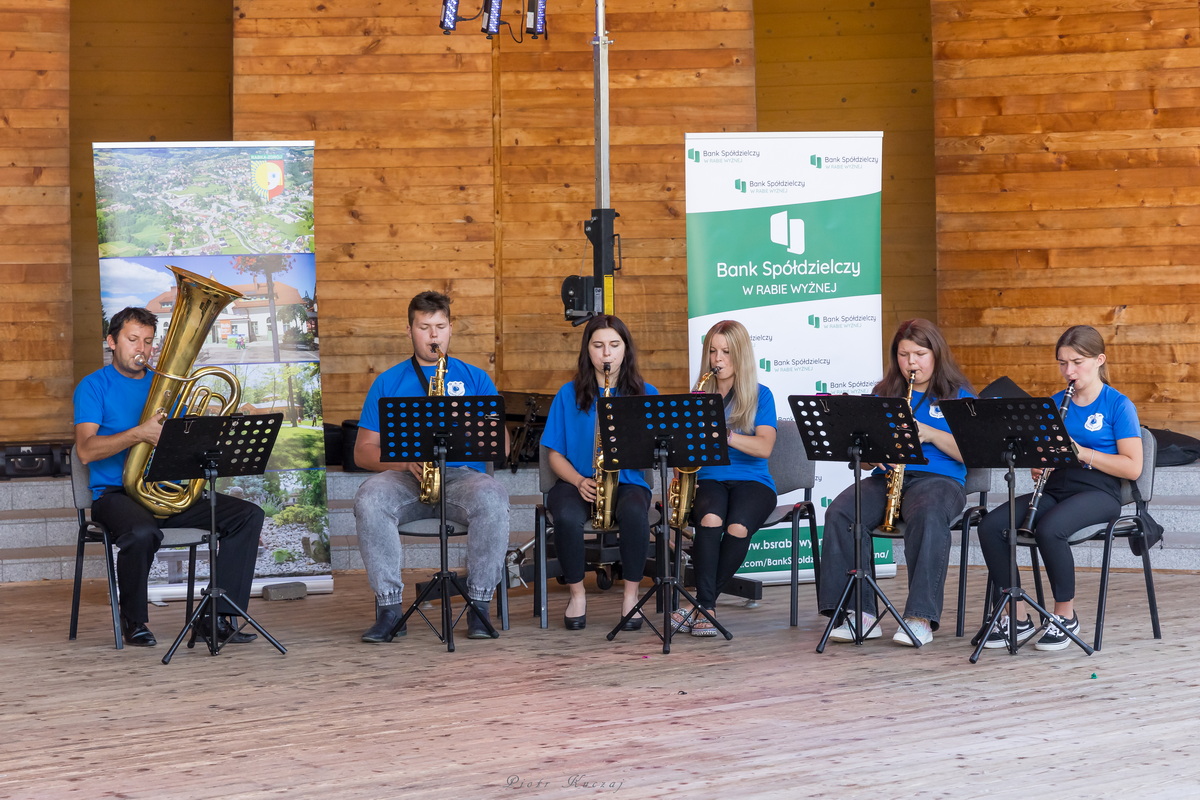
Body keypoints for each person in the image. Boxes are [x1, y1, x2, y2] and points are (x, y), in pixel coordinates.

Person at [73, 307, 262, 648]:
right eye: (132, 340)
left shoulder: (167, 387)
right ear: (112, 341)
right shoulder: (93, 387)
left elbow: (179, 442)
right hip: (114, 495)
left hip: (164, 490)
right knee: (143, 531)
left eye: (148, 342)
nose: (141, 349)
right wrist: (139, 433)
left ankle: (216, 617)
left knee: (248, 515)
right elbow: (86, 451)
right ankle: (134, 620)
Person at [353, 291, 509, 643]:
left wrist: (480, 426)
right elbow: (363, 452)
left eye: (440, 326)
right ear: (409, 330)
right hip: (407, 476)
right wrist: (405, 462)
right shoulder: (388, 382)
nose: (433, 335)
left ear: (451, 329)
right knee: (370, 499)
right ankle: (389, 609)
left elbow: (502, 447)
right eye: (424, 327)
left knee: (493, 497)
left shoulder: (475, 378)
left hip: (460, 477)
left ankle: (479, 606)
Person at [977, 325, 1142, 651]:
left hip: (1100, 491)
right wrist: (1037, 465)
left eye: (1077, 362)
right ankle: (1017, 617)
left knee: (1050, 529)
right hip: (1056, 486)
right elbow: (1041, 455)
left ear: (1099, 360)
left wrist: (1082, 453)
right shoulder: (1053, 404)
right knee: (991, 526)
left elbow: (1132, 467)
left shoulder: (1117, 405)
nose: (1069, 371)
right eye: (1063, 363)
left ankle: (1064, 616)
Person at [818, 318, 974, 646]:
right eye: (904, 355)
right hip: (889, 477)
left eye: (919, 354)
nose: (911, 363)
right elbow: (868, 454)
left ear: (937, 354)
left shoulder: (958, 396)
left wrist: (930, 433)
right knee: (841, 512)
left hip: (941, 480)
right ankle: (859, 613)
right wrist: (876, 456)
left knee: (929, 514)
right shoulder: (884, 394)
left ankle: (920, 617)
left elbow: (970, 454)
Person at [541, 314, 657, 630]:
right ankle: (577, 594)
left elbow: (657, 449)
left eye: (614, 345)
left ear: (625, 349)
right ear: (587, 350)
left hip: (627, 480)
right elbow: (554, 455)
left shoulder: (646, 393)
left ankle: (630, 597)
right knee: (565, 516)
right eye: (598, 345)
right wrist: (578, 480)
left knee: (635, 513)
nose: (606, 354)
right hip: (576, 480)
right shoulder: (567, 394)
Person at [666, 321, 777, 637]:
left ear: (740, 355)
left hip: (754, 480)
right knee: (711, 519)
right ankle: (708, 608)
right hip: (710, 477)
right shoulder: (697, 396)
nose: (718, 359)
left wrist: (725, 436)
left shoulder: (761, 395)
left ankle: (700, 604)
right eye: (713, 351)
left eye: (726, 352)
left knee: (738, 526)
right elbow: (683, 451)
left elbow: (764, 447)